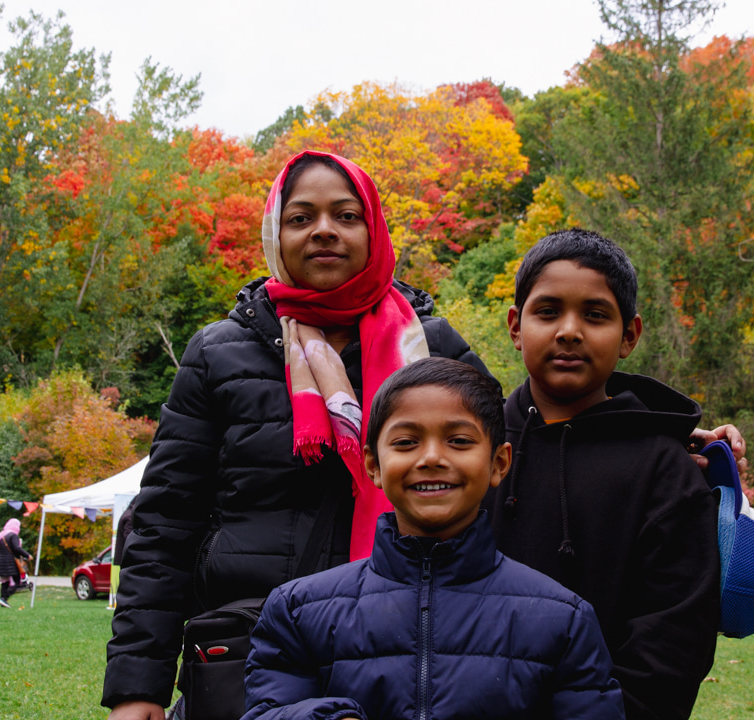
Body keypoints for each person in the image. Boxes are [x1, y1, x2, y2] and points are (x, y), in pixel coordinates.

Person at [104, 151, 493, 720]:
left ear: (374, 230)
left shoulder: (434, 350)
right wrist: (138, 690)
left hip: (413, 653)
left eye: (346, 215)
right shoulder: (217, 354)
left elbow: (501, 484)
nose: (324, 231)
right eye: (301, 217)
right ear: (275, 233)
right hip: (253, 656)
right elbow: (165, 526)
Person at [242, 357, 625, 720]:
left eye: (458, 441)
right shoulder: (298, 611)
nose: (431, 458)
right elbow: (267, 710)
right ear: (373, 465)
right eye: (406, 442)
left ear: (499, 463)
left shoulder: (563, 619)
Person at [486, 228, 722, 720]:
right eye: (547, 311)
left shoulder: (666, 468)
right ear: (515, 326)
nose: (569, 330)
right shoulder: (475, 447)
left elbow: (676, 637)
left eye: (595, 315)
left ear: (629, 335)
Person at [0, 518, 32, 608]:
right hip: (10, 562)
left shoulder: (1, 535)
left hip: (0, 561)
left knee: (5, 582)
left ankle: (3, 600)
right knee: (17, 581)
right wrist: (27, 555)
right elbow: (16, 548)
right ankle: (4, 597)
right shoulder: (13, 535)